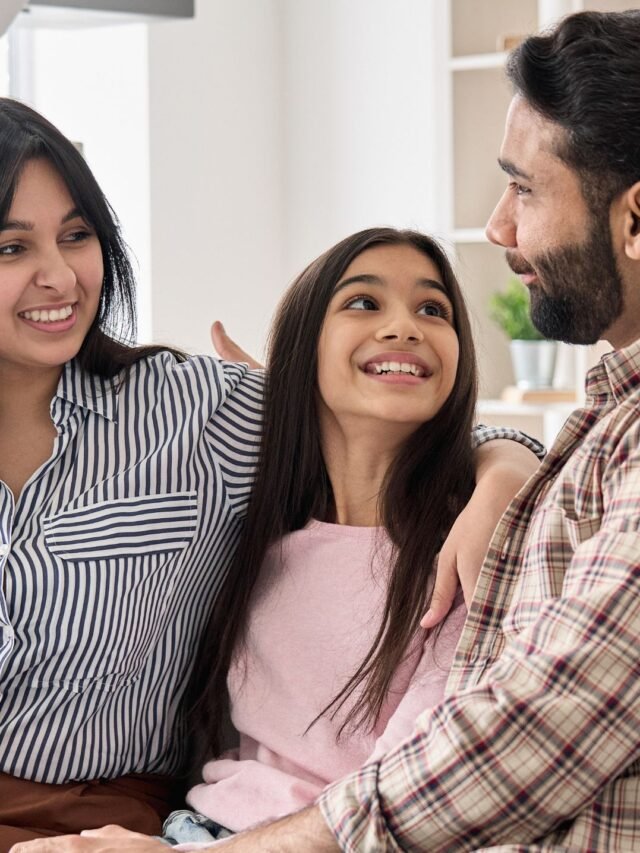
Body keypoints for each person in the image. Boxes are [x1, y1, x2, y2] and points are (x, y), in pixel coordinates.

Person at [48, 7, 640, 851]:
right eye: (361, 302)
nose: (500, 228)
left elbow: (542, 721)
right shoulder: (599, 426)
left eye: (524, 187)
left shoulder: (483, 532)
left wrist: (501, 468)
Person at [0, 97, 540, 849]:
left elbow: (406, 419)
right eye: (11, 248)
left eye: (77, 235)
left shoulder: (193, 411)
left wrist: (504, 479)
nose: (58, 275)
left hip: (98, 816)